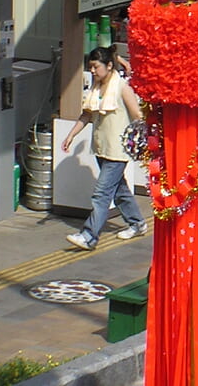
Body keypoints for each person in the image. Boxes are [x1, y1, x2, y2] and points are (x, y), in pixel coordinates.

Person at [62, 47, 149, 250]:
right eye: (90, 67)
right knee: (120, 191)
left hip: (117, 151)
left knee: (101, 194)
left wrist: (139, 142)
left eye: (95, 66)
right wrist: (71, 135)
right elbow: (87, 115)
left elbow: (138, 116)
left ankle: (89, 236)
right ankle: (137, 223)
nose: (92, 71)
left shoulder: (122, 87)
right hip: (101, 149)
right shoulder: (96, 87)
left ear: (109, 66)